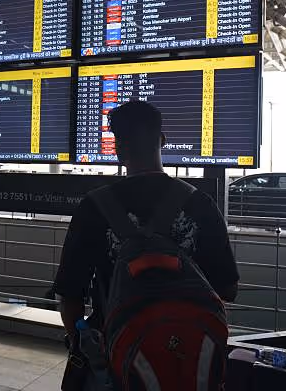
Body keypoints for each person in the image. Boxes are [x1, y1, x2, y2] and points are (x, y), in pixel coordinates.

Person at [54, 101, 239, 388]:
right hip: (191, 363)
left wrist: (82, 345)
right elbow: (227, 289)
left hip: (117, 364)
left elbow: (69, 295)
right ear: (162, 140)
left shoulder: (94, 207)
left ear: (118, 149)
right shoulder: (200, 203)